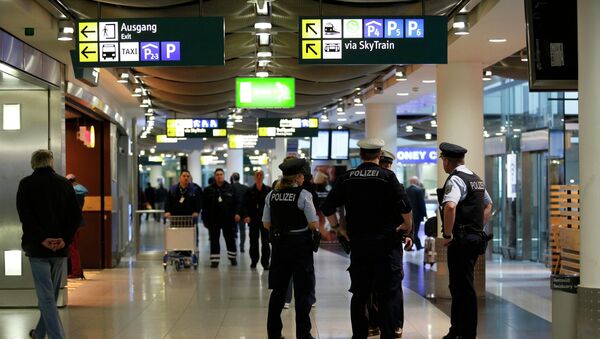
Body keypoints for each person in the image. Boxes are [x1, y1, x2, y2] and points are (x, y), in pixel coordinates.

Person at [321, 138, 412, 339]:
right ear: (379, 154)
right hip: (386, 247)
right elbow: (405, 206)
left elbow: (327, 207)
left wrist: (338, 228)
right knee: (387, 294)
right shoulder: (387, 177)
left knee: (360, 294)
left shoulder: (346, 178)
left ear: (361, 155)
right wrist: (407, 226)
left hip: (360, 246)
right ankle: (387, 334)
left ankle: (359, 335)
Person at [17, 150, 82, 339]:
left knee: (46, 296)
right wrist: (63, 238)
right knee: (51, 296)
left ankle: (56, 337)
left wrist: (42, 239)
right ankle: (39, 333)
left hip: (38, 248)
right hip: (59, 249)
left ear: (33, 163)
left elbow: (26, 217)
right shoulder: (64, 184)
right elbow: (75, 216)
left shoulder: (26, 184)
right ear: (51, 163)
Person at [438, 142, 493, 339]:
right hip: (474, 239)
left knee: (463, 288)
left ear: (447, 161)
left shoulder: (456, 180)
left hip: (461, 241)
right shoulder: (475, 178)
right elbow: (488, 205)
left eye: (443, 160)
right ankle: (457, 330)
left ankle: (466, 333)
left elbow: (450, 207)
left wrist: (448, 234)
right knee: (460, 286)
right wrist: (478, 228)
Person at [263, 158, 319, 339]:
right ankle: (303, 334)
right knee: (303, 292)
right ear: (299, 176)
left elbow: (266, 223)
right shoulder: (303, 195)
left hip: (279, 247)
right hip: (300, 247)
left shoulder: (272, 195)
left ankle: (274, 333)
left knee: (278, 292)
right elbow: (313, 223)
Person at [202, 168, 241, 267]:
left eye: (221, 174)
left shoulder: (231, 188)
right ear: (215, 176)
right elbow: (204, 206)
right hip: (213, 219)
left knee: (230, 239)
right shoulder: (208, 190)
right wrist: (205, 220)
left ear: (224, 176)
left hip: (228, 219)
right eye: (217, 175)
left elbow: (237, 203)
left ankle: (232, 258)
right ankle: (214, 260)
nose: (219, 176)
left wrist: (237, 213)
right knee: (214, 240)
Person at [164, 170, 202, 259]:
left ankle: (188, 253)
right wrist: (167, 211)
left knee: (188, 235)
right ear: (180, 177)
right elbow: (167, 202)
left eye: (188, 176)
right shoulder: (173, 189)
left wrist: (196, 211)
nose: (186, 178)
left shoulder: (194, 189)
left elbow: (199, 202)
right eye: (184, 176)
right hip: (176, 217)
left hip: (189, 218)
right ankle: (178, 252)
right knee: (177, 234)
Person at [243, 170, 272, 269]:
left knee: (266, 242)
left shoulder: (268, 190)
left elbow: (272, 206)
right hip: (253, 219)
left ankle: (265, 262)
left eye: (261, 175)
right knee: (253, 242)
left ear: (263, 177)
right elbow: (245, 205)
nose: (259, 176)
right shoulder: (249, 190)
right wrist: (246, 216)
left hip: (265, 220)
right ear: (254, 177)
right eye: (257, 175)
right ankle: (254, 261)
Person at [65, 173, 88, 280]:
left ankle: (76, 273)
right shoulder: (80, 191)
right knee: (74, 248)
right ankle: (77, 271)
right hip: (77, 222)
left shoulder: (73, 192)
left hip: (72, 223)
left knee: (72, 248)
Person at [406, 176, 427, 251]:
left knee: (410, 231)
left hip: (408, 214)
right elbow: (421, 203)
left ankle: (409, 246)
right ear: (416, 182)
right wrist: (425, 214)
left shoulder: (406, 190)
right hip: (417, 215)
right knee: (415, 231)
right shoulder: (419, 190)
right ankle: (418, 246)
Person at [231, 172, 249, 252]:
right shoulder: (245, 188)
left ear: (233, 178)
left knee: (232, 231)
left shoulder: (230, 187)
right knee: (242, 230)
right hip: (243, 213)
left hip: (233, 213)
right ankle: (242, 247)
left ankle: (233, 247)